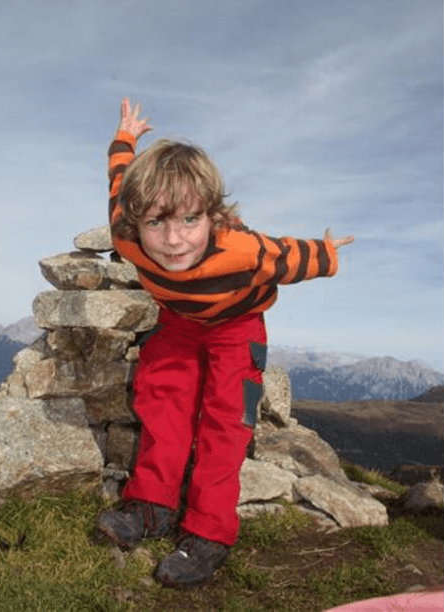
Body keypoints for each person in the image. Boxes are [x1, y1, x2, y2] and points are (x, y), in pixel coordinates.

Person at [96, 98, 354, 589]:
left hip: (238, 328)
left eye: (189, 220)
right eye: (156, 223)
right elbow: (117, 177)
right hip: (178, 323)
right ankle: (151, 505)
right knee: (162, 404)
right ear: (135, 220)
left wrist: (326, 253)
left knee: (225, 422)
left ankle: (208, 532)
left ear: (213, 216)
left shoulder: (242, 248)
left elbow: (289, 256)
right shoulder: (124, 231)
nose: (173, 240)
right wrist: (125, 137)